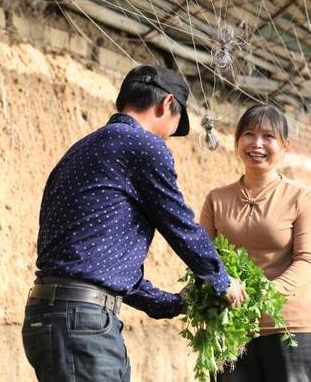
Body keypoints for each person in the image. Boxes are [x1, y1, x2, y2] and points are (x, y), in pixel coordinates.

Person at [21, 65, 246, 382]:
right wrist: (222, 280)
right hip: (82, 323)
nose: (168, 136)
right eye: (174, 126)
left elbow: (96, 262)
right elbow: (179, 224)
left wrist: (175, 303)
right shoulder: (144, 146)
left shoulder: (80, 151)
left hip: (50, 316)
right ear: (167, 104)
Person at [200, 104, 311, 382]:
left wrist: (263, 295)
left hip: (290, 329)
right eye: (248, 134)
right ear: (237, 141)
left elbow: (306, 261)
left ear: (284, 145)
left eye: (268, 136)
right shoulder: (217, 199)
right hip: (233, 328)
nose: (257, 143)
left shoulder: (301, 198)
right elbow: (204, 259)